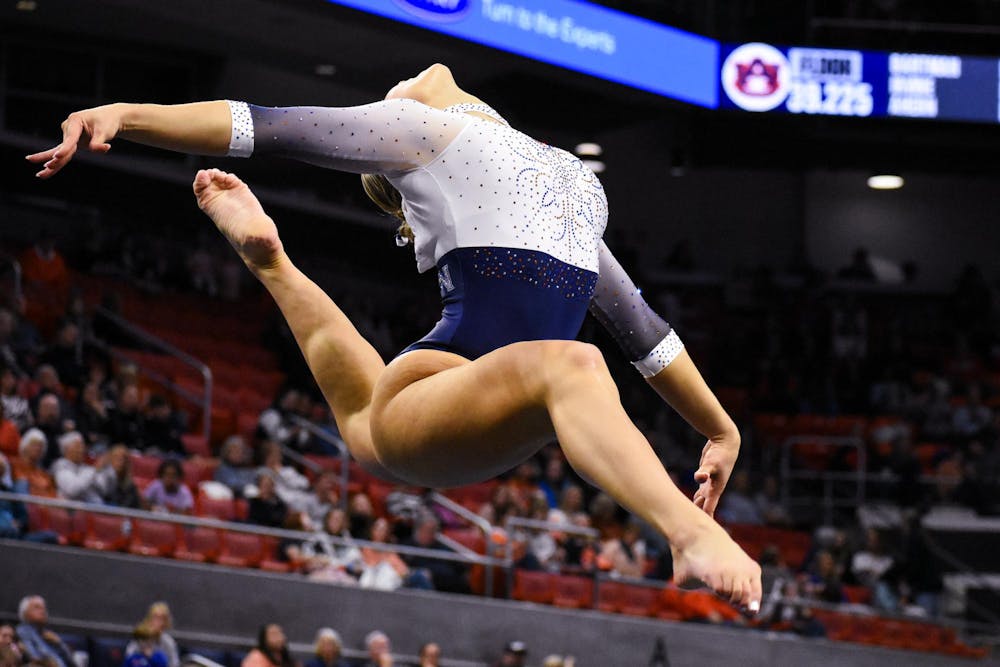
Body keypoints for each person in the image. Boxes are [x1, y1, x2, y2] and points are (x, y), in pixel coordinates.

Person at [30, 63, 760, 609]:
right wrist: (126, 114)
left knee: (366, 423)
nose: (416, 74)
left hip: (451, 407)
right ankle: (685, 534)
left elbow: (646, 333)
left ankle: (272, 262)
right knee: (571, 365)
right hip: (441, 391)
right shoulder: (426, 131)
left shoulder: (566, 183)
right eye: (402, 83)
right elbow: (265, 124)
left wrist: (721, 430)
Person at [15, 596, 75, 667]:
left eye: (44, 608)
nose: (43, 611)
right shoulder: (23, 631)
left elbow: (72, 663)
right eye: (37, 607)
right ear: (25, 613)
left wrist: (59, 643)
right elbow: (35, 657)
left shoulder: (49, 635)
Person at [51, 431, 102, 504]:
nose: (82, 450)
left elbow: (102, 489)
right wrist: (94, 470)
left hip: (92, 510)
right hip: (68, 512)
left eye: (82, 446)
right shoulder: (60, 466)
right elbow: (72, 489)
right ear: (66, 449)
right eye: (78, 447)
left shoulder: (85, 468)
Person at [95, 444, 142, 508]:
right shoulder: (99, 480)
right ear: (109, 459)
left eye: (123, 458)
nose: (120, 461)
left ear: (127, 463)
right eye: (116, 457)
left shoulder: (130, 488)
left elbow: (124, 510)